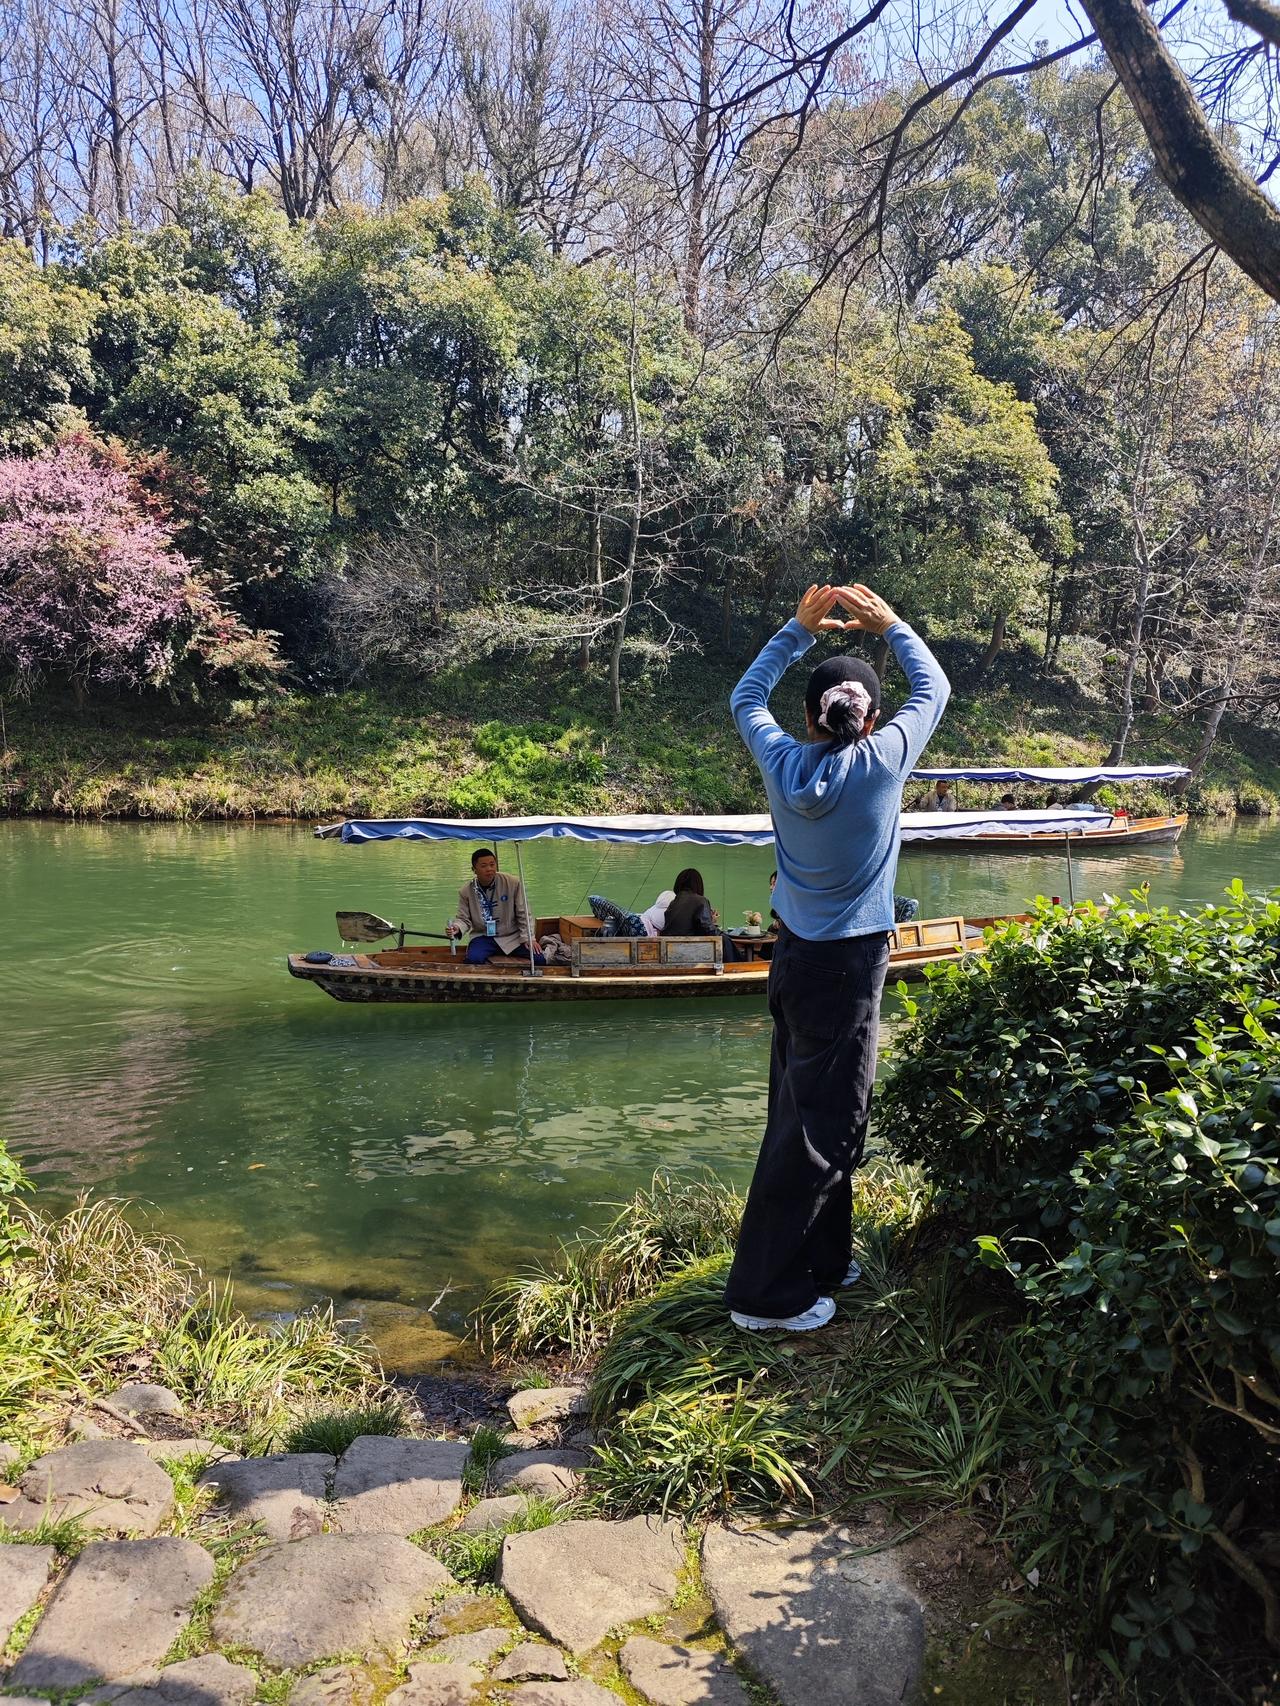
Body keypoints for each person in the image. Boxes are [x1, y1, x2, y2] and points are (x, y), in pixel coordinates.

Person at [723, 582, 949, 1333]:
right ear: (871, 718)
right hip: (848, 968)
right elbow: (935, 687)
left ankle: (824, 1260)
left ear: (807, 718)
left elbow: (744, 697)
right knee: (823, 1130)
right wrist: (893, 625)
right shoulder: (883, 762)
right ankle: (765, 1297)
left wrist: (795, 630)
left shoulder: (780, 759)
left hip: (792, 960)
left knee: (801, 1113)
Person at [446, 848, 544, 966]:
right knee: (473, 960)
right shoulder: (466, 891)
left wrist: (528, 938)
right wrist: (457, 927)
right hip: (484, 936)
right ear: (474, 869)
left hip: (512, 936)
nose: (489, 869)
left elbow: (524, 913)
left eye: (492, 864)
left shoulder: (512, 883)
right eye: (484, 866)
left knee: (539, 959)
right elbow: (463, 919)